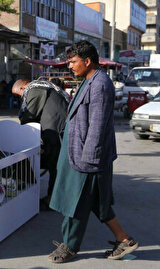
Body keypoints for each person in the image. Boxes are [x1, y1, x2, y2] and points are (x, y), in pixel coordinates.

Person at [48, 40, 138, 263]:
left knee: (75, 202)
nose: (70, 66)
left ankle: (69, 246)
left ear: (87, 61)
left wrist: (87, 162)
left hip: (86, 158)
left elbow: (97, 127)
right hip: (76, 153)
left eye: (73, 62)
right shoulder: (89, 80)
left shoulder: (100, 84)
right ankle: (124, 239)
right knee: (99, 203)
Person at [11, 78, 70, 209]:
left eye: (18, 95)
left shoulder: (34, 88)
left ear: (22, 88)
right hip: (57, 129)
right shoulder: (46, 86)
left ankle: (52, 201)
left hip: (55, 131)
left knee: (55, 166)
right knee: (55, 166)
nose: (20, 98)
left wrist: (20, 133)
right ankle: (53, 199)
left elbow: (29, 116)